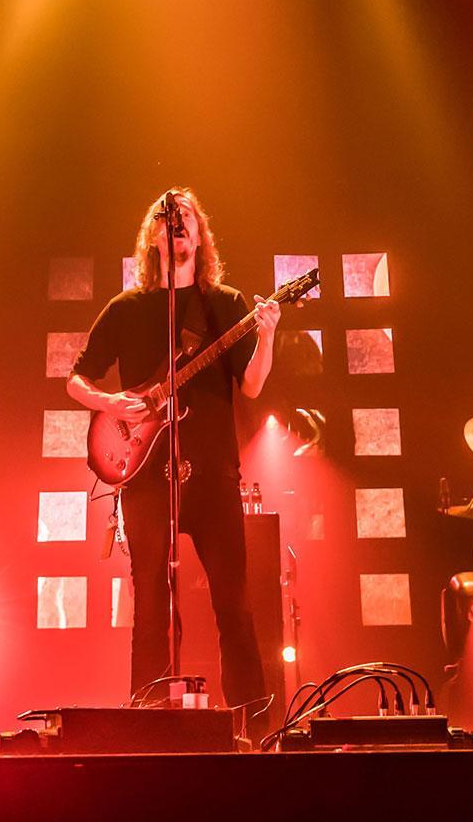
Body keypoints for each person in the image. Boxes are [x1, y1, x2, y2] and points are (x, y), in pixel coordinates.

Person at [67, 189, 280, 712]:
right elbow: (76, 379)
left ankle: (253, 724)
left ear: (200, 235)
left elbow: (250, 387)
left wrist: (268, 335)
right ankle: (147, 719)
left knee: (235, 605)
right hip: (144, 477)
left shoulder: (226, 304)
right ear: (154, 237)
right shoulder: (127, 309)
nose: (178, 224)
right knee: (150, 610)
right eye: (169, 218)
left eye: (186, 217)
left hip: (213, 476)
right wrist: (111, 403)